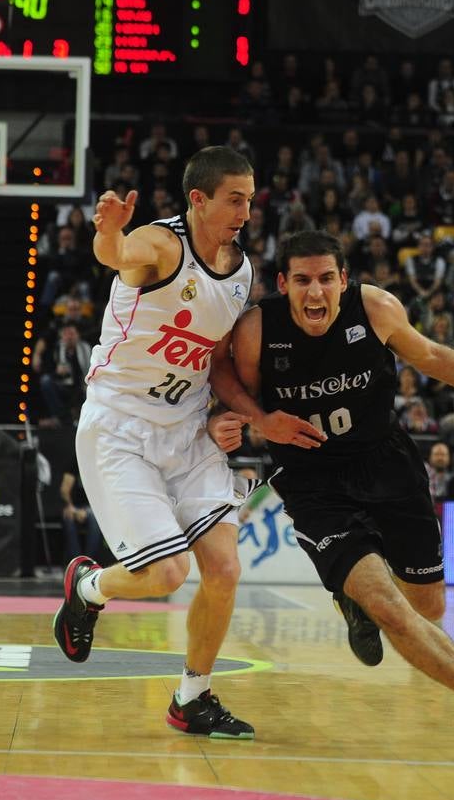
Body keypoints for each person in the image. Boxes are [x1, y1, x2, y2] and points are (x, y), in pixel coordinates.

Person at [210, 230, 454, 750]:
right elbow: (226, 382)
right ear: (282, 284)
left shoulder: (376, 308)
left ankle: (355, 601)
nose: (314, 293)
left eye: (324, 279)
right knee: (390, 608)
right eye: (301, 281)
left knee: (425, 607)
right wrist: (250, 420)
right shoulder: (257, 330)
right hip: (314, 482)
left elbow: (431, 356)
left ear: (343, 280)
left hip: (387, 465)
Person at [52, 146, 319, 741]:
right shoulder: (160, 244)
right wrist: (109, 233)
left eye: (251, 199)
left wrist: (252, 417)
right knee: (167, 574)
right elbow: (118, 255)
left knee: (223, 567)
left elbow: (217, 362)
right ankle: (88, 586)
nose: (246, 211)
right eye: (235, 199)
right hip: (120, 427)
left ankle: (191, 698)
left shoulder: (241, 270)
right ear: (197, 199)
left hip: (189, 427)